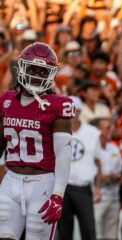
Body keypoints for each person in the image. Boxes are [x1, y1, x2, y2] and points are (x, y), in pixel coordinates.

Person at [0, 42, 74, 239]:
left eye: (42, 71)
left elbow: (63, 155)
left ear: (50, 75)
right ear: (22, 67)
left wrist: (58, 194)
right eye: (32, 69)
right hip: (11, 179)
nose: (36, 75)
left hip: (42, 184)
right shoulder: (6, 100)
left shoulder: (58, 105)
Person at [57, 96, 102, 240]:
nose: (68, 114)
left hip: (83, 187)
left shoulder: (93, 132)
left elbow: (97, 161)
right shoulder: (57, 130)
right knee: (64, 230)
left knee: (88, 229)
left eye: (71, 110)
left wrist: (97, 187)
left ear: (78, 111)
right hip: (63, 187)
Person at [90, 117, 122, 240]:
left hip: (114, 197)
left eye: (111, 128)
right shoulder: (90, 149)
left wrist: (117, 176)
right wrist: (103, 178)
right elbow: (83, 174)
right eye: (107, 128)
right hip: (96, 198)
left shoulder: (114, 149)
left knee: (112, 235)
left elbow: (121, 170)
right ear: (97, 131)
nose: (111, 131)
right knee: (95, 234)